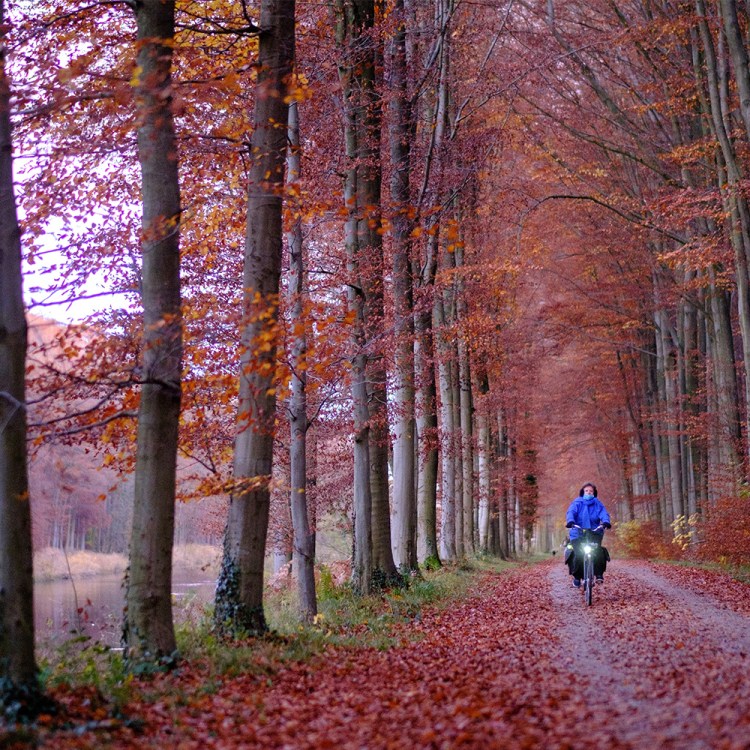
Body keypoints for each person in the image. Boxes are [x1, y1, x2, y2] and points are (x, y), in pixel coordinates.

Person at [564, 482, 611, 588]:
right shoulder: (577, 502)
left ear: (594, 493)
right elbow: (571, 512)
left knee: (598, 551)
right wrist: (571, 521)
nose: (589, 493)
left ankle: (599, 574)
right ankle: (577, 577)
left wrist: (605, 522)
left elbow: (604, 513)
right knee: (578, 553)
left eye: (591, 491)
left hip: (594, 532)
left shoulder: (597, 503)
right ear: (582, 492)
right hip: (577, 532)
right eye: (586, 491)